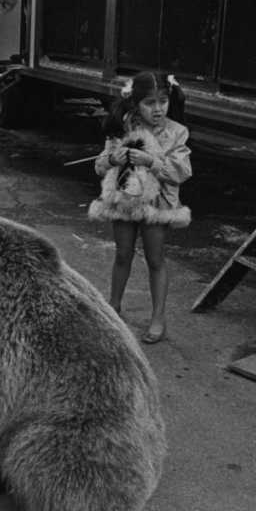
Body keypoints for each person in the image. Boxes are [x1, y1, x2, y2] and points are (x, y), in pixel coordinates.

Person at [89, 71, 192, 344]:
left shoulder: (176, 132)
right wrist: (112, 158)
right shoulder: (122, 128)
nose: (158, 109)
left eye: (163, 101)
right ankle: (114, 306)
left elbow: (181, 172)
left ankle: (158, 316)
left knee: (155, 258)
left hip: (157, 205)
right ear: (135, 104)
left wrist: (151, 161)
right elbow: (99, 165)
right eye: (149, 103)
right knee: (122, 254)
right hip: (124, 200)